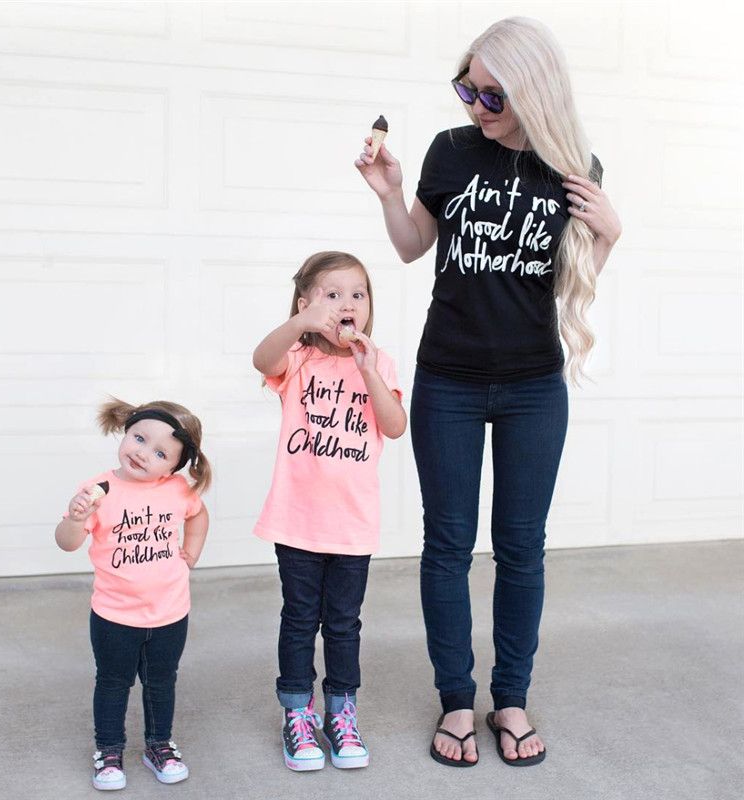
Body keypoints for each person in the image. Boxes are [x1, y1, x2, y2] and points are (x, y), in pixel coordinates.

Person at [355, 16, 621, 768]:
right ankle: (454, 701)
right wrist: (391, 192)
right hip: (450, 377)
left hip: (535, 383)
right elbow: (413, 248)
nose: (475, 105)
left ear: (532, 90)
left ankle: (510, 698)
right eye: (466, 87)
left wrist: (607, 236)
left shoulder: (574, 167)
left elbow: (572, 281)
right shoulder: (451, 150)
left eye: (492, 94)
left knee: (521, 550)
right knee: (446, 547)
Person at [252, 251, 406, 771]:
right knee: (299, 619)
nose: (346, 304)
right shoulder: (296, 358)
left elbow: (394, 425)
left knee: (343, 624)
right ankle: (297, 713)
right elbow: (260, 358)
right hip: (297, 520)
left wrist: (369, 373)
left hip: (352, 525)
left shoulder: (378, 362)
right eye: (331, 295)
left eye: (357, 295)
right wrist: (299, 323)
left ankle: (342, 710)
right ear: (306, 304)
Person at [55, 398, 211, 790]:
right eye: (139, 438)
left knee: (161, 681)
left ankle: (159, 744)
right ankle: (108, 750)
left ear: (174, 466)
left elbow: (199, 514)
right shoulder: (99, 490)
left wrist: (191, 551)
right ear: (126, 431)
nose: (143, 453)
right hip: (114, 614)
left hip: (170, 613)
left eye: (160, 453)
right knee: (112, 681)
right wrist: (75, 520)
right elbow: (66, 543)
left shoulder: (177, 490)